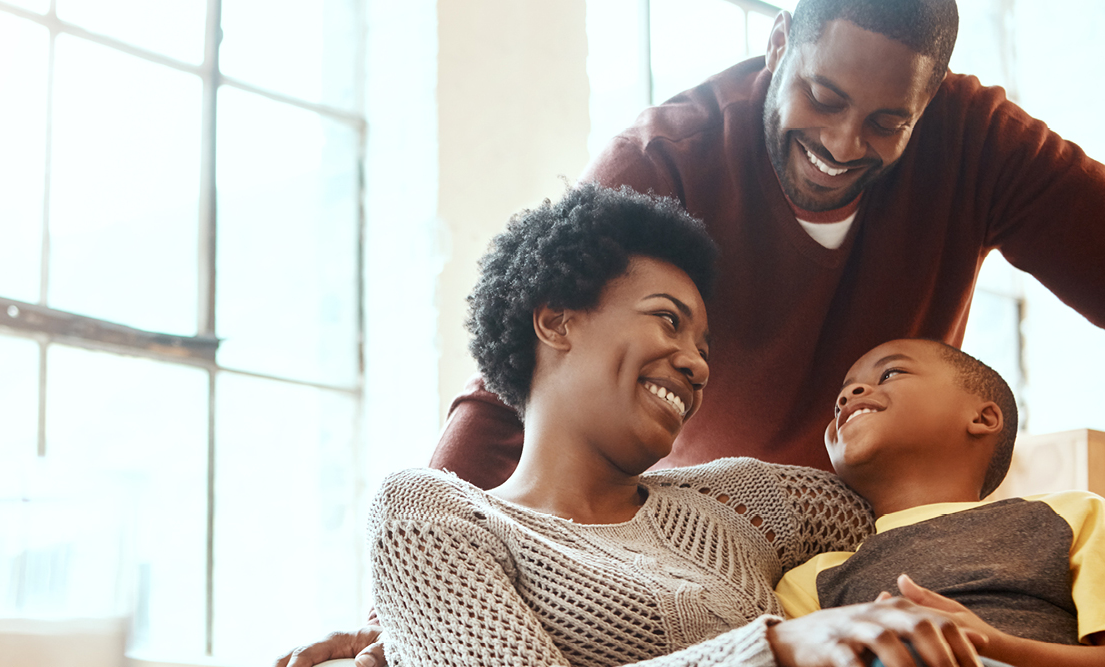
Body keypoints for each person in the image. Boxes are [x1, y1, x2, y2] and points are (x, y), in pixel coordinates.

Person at [431, 0, 1105, 483]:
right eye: (823, 96)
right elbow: (519, 380)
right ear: (777, 43)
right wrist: (392, 619)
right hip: (693, 534)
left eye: (885, 122)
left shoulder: (978, 143)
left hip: (874, 539)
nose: (843, 144)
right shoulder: (660, 164)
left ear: (928, 105)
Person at [361, 184, 987, 667]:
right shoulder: (430, 512)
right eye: (668, 320)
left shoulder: (744, 499)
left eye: (704, 347)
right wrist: (780, 646)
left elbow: (936, 506)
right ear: (556, 321)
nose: (695, 364)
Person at [773, 338, 1105, 667]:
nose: (848, 395)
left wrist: (997, 647)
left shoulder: (1073, 514)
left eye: (890, 374)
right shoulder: (811, 578)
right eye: (838, 403)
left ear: (983, 418)